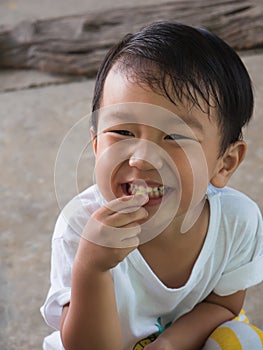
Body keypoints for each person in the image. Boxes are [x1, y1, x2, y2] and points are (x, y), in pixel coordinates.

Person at [41, 21, 263, 350]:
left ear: (224, 163)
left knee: (243, 339)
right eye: (123, 133)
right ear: (98, 144)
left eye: (174, 137)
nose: (142, 160)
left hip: (186, 340)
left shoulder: (236, 221)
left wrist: (170, 344)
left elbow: (224, 306)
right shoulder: (79, 226)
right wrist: (92, 267)